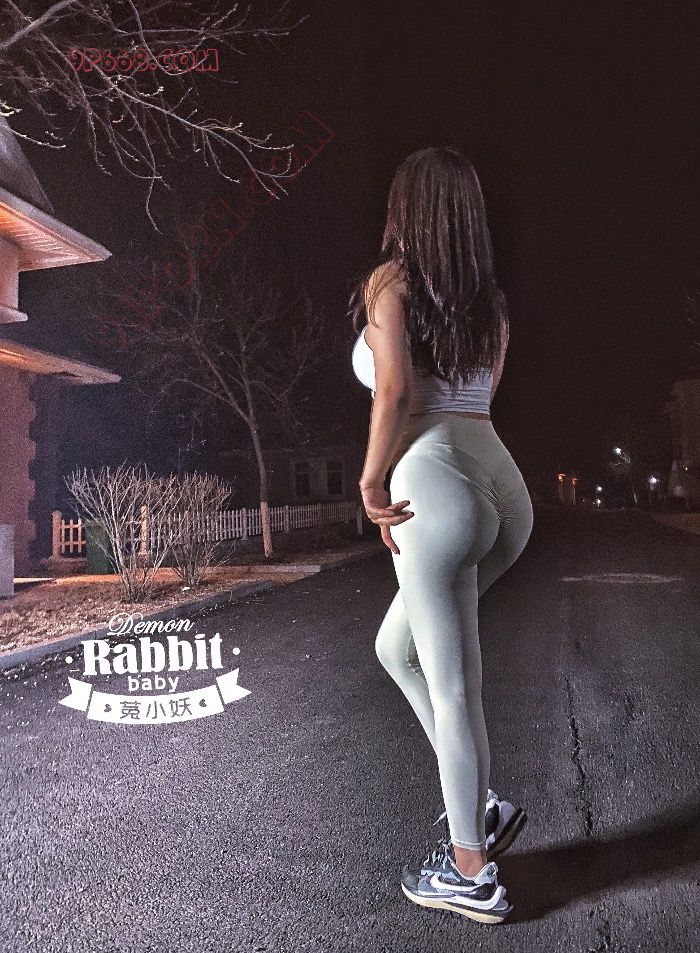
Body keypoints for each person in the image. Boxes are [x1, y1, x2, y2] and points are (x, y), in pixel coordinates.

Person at [348, 146, 534, 924]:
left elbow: (396, 391)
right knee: (397, 649)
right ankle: (481, 807)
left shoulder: (389, 283)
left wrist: (372, 480)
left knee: (455, 688)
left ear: (407, 207)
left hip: (435, 486)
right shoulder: (490, 304)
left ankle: (470, 870)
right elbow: (476, 399)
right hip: (503, 490)